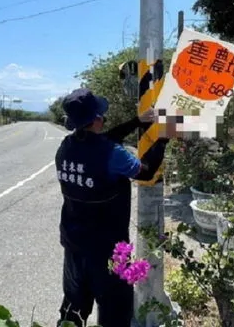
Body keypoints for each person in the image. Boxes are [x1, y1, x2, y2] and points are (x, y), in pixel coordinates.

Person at [55, 88, 170, 327]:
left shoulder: (66, 147)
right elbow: (145, 169)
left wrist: (137, 122)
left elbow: (102, 141)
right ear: (96, 119)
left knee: (73, 310)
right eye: (100, 115)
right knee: (115, 311)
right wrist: (163, 138)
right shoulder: (113, 155)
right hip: (108, 250)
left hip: (74, 245)